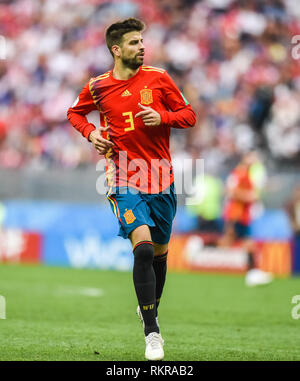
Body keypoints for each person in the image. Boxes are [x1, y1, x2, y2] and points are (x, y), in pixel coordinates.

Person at [67, 18, 196, 360]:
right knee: (142, 248)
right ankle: (152, 332)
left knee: (160, 255)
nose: (142, 47)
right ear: (117, 49)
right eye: (135, 42)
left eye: (142, 41)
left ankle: (149, 309)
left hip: (161, 176)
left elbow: (189, 115)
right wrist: (91, 134)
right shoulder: (97, 86)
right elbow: (75, 113)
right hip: (123, 174)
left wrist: (163, 117)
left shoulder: (159, 78)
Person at [219, 151, 273, 287]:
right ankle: (253, 273)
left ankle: (253, 273)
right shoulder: (240, 173)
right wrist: (248, 196)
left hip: (242, 214)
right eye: (252, 156)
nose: (255, 159)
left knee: (232, 241)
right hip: (237, 214)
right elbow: (229, 191)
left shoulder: (246, 174)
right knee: (246, 243)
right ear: (245, 158)